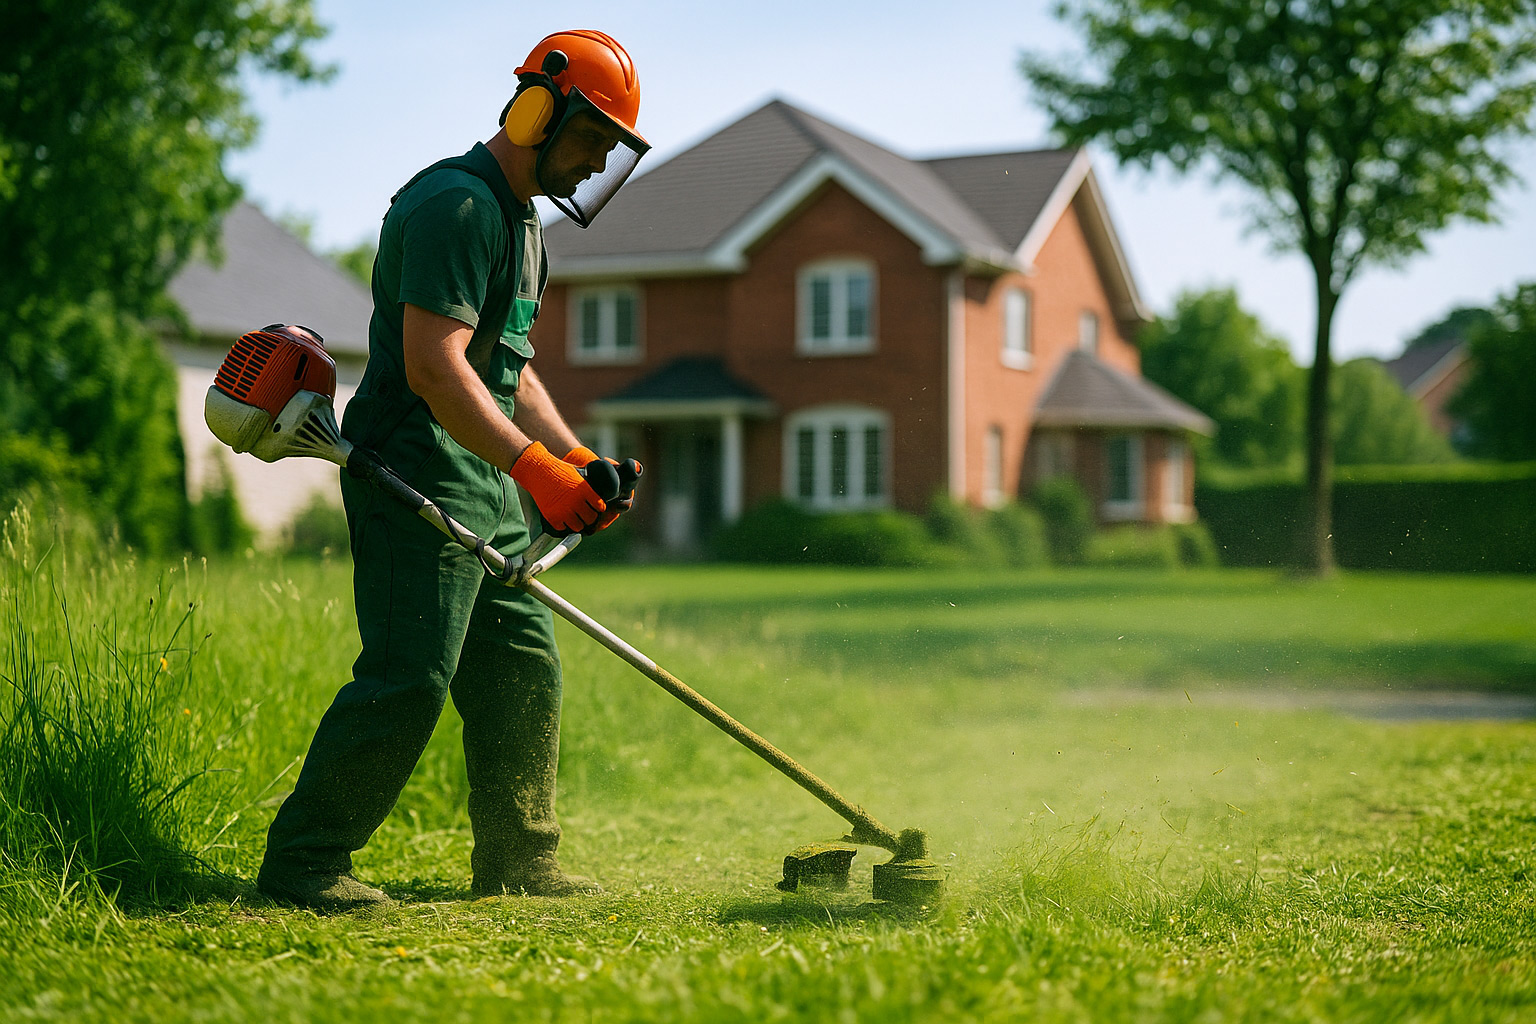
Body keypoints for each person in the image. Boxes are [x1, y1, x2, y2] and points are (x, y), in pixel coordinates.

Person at [256, 29, 650, 912]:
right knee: (411, 676)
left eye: (608, 150)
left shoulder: (524, 226)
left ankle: (519, 856)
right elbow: (436, 367)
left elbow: (509, 366)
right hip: (412, 468)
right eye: (590, 139)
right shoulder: (455, 207)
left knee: (523, 663)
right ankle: (306, 861)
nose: (593, 165)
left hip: (485, 478)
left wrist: (573, 459)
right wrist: (533, 468)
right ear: (537, 110)